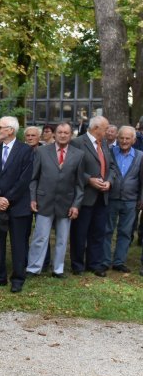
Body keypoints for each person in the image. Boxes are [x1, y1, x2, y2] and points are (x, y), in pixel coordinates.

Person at [0, 116, 34, 293]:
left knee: (18, 244)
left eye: (0, 127)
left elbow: (24, 179)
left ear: (10, 130)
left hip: (18, 206)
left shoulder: (25, 150)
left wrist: (7, 199)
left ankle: (18, 278)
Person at [26, 122, 85, 278]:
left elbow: (80, 184)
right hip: (44, 201)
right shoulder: (42, 152)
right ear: (54, 134)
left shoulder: (78, 155)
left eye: (66, 132)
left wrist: (76, 205)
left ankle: (58, 269)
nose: (63, 135)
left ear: (71, 135)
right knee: (40, 237)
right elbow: (34, 178)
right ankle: (33, 268)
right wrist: (33, 198)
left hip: (66, 203)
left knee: (62, 238)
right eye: (60, 132)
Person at [69, 115, 117, 276]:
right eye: (106, 128)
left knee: (98, 232)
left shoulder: (103, 143)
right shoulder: (77, 142)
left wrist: (109, 181)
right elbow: (73, 169)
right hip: (84, 196)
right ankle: (77, 265)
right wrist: (89, 180)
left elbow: (111, 166)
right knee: (79, 232)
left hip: (102, 196)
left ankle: (94, 264)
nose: (108, 131)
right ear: (96, 128)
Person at [103, 126, 142, 273]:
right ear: (117, 138)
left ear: (134, 139)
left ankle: (119, 261)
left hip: (131, 200)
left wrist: (141, 199)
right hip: (111, 198)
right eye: (121, 138)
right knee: (107, 230)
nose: (124, 141)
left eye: (127, 138)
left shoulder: (140, 156)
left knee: (125, 232)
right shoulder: (110, 153)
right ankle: (105, 261)